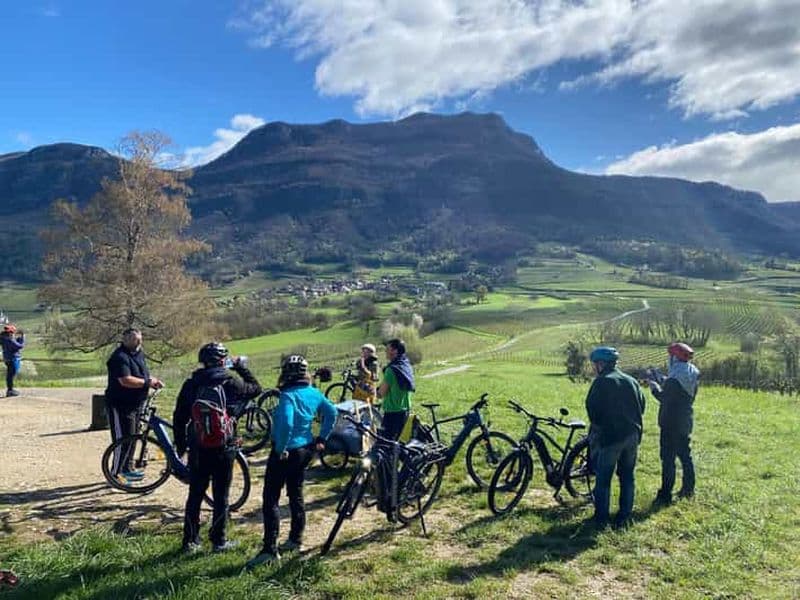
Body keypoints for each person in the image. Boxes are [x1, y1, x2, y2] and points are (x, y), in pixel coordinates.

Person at [248, 355, 337, 567]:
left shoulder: (287, 395)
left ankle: (269, 549)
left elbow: (286, 423)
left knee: (271, 499)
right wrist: (322, 438)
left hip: (285, 451)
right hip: (305, 449)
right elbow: (332, 412)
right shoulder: (314, 392)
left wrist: (280, 448)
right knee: (296, 493)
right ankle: (295, 539)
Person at [173, 342, 262, 553]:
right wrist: (240, 367)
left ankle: (190, 541)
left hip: (198, 446)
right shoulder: (231, 382)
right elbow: (256, 389)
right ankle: (219, 541)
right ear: (223, 360)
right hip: (224, 446)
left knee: (195, 494)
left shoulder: (191, 384)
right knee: (221, 494)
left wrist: (181, 446)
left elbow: (179, 417)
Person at [585, 346, 646, 528]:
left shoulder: (601, 382)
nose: (594, 368)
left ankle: (601, 518)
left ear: (601, 364)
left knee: (603, 479)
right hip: (633, 435)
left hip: (611, 437)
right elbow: (642, 405)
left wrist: (599, 427)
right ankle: (624, 516)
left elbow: (592, 408)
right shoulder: (631, 380)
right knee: (627, 476)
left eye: (595, 364)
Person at [105, 328, 163, 483]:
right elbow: (125, 380)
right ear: (124, 340)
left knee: (133, 437)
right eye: (133, 339)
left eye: (139, 339)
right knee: (122, 440)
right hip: (120, 404)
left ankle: (127, 468)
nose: (137, 342)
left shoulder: (139, 355)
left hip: (136, 404)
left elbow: (141, 376)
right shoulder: (119, 357)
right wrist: (147, 383)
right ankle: (115, 475)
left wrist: (153, 380)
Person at [648, 342, 699, 505]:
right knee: (685, 456)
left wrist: (654, 388)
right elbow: (677, 390)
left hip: (670, 423)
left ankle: (665, 494)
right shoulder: (691, 372)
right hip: (685, 420)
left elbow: (665, 398)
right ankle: (688, 489)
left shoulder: (675, 376)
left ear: (674, 358)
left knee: (668, 458)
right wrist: (662, 378)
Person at [376, 338, 415, 440]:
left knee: (386, 443)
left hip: (392, 412)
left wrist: (373, 392)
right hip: (405, 409)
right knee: (399, 441)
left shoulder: (391, 370)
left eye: (388, 349)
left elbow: (381, 393)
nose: (385, 351)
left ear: (395, 351)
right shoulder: (406, 365)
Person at [1, 324, 24, 397]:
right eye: (13, 333)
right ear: (10, 332)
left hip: (7, 359)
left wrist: (18, 339)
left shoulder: (4, 338)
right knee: (11, 375)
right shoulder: (9, 339)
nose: (13, 334)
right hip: (12, 359)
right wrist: (22, 339)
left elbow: (13, 344)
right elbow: (19, 346)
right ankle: (10, 390)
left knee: (10, 374)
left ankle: (10, 389)